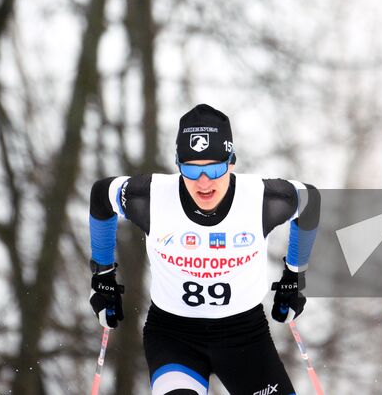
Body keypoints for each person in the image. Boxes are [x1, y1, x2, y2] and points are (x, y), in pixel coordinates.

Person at [88, 104, 321, 395]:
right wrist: (103, 276)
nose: (204, 182)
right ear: (178, 165)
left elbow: (310, 200)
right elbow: (101, 195)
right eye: (191, 169)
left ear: (231, 162)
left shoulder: (260, 198)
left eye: (214, 168)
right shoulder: (150, 197)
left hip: (245, 338)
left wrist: (294, 274)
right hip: (174, 336)